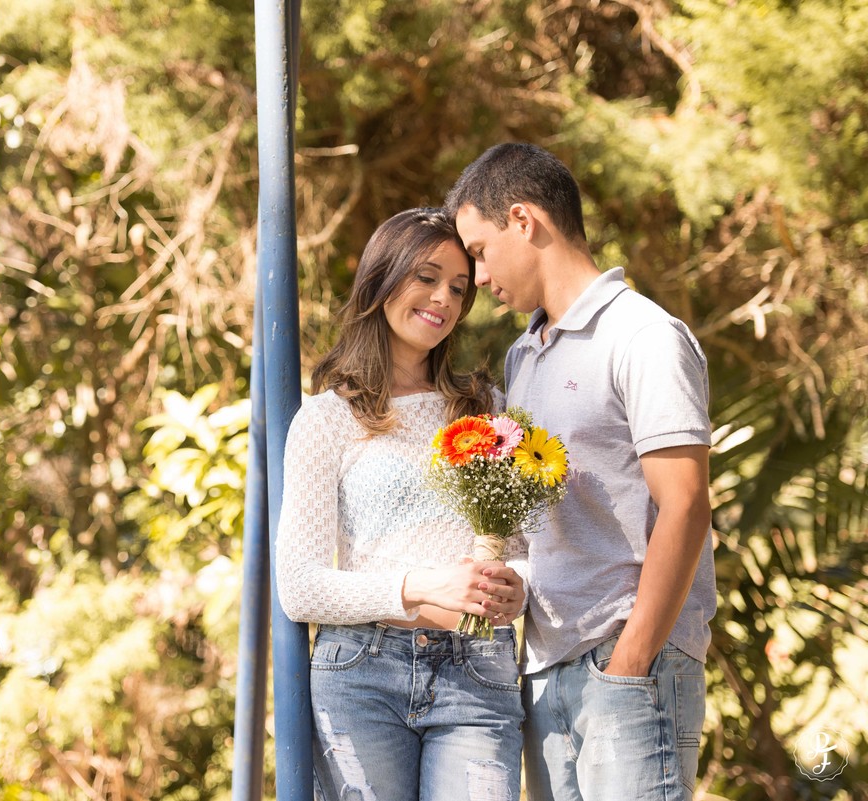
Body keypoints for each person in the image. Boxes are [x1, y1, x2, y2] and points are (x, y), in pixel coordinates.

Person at [445, 142, 715, 801]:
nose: (476, 277)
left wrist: (629, 663)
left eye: (479, 251)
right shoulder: (522, 357)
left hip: (628, 667)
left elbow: (685, 504)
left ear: (523, 220)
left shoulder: (644, 336)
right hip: (544, 671)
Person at [276, 207, 528, 801]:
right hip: (361, 674)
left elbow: (521, 553)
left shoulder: (486, 408)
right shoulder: (326, 420)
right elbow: (299, 586)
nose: (443, 298)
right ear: (381, 279)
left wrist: (517, 587)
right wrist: (417, 586)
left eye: (460, 287)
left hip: (478, 672)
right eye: (426, 276)